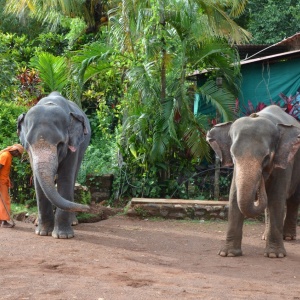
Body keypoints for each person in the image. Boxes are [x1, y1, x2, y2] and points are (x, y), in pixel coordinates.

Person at [0, 144, 24, 228]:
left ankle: (1, 220)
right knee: (5, 200)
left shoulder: (8, 155)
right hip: (1, 181)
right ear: (15, 151)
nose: (17, 155)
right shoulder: (6, 155)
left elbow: (5, 170)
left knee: (1, 200)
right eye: (18, 153)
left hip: (4, 180)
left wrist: (10, 180)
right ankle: (4, 221)